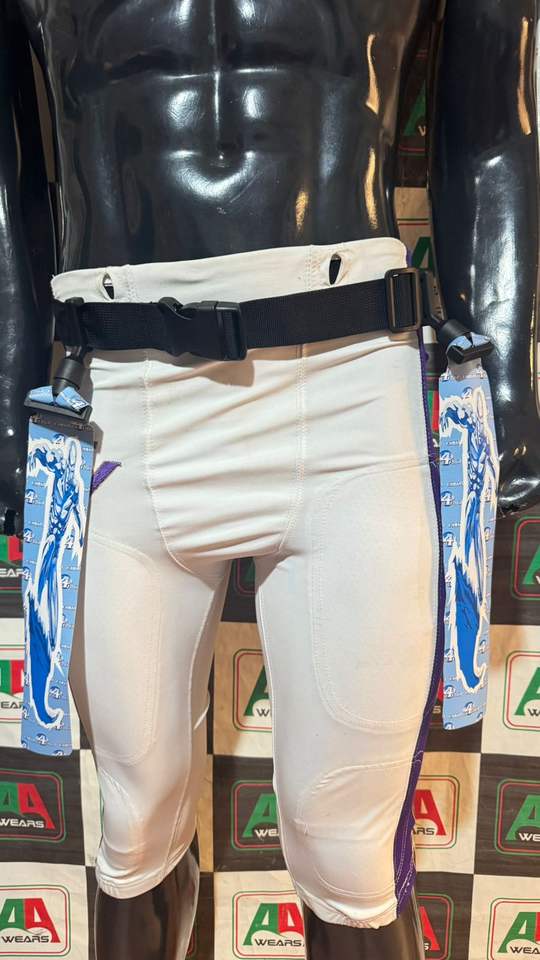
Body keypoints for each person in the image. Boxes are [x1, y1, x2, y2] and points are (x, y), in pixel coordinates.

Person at [0, 1, 538, 957]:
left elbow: (495, 127)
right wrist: (10, 396)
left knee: (348, 853)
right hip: (118, 401)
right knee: (134, 828)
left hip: (350, 391)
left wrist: (506, 387)